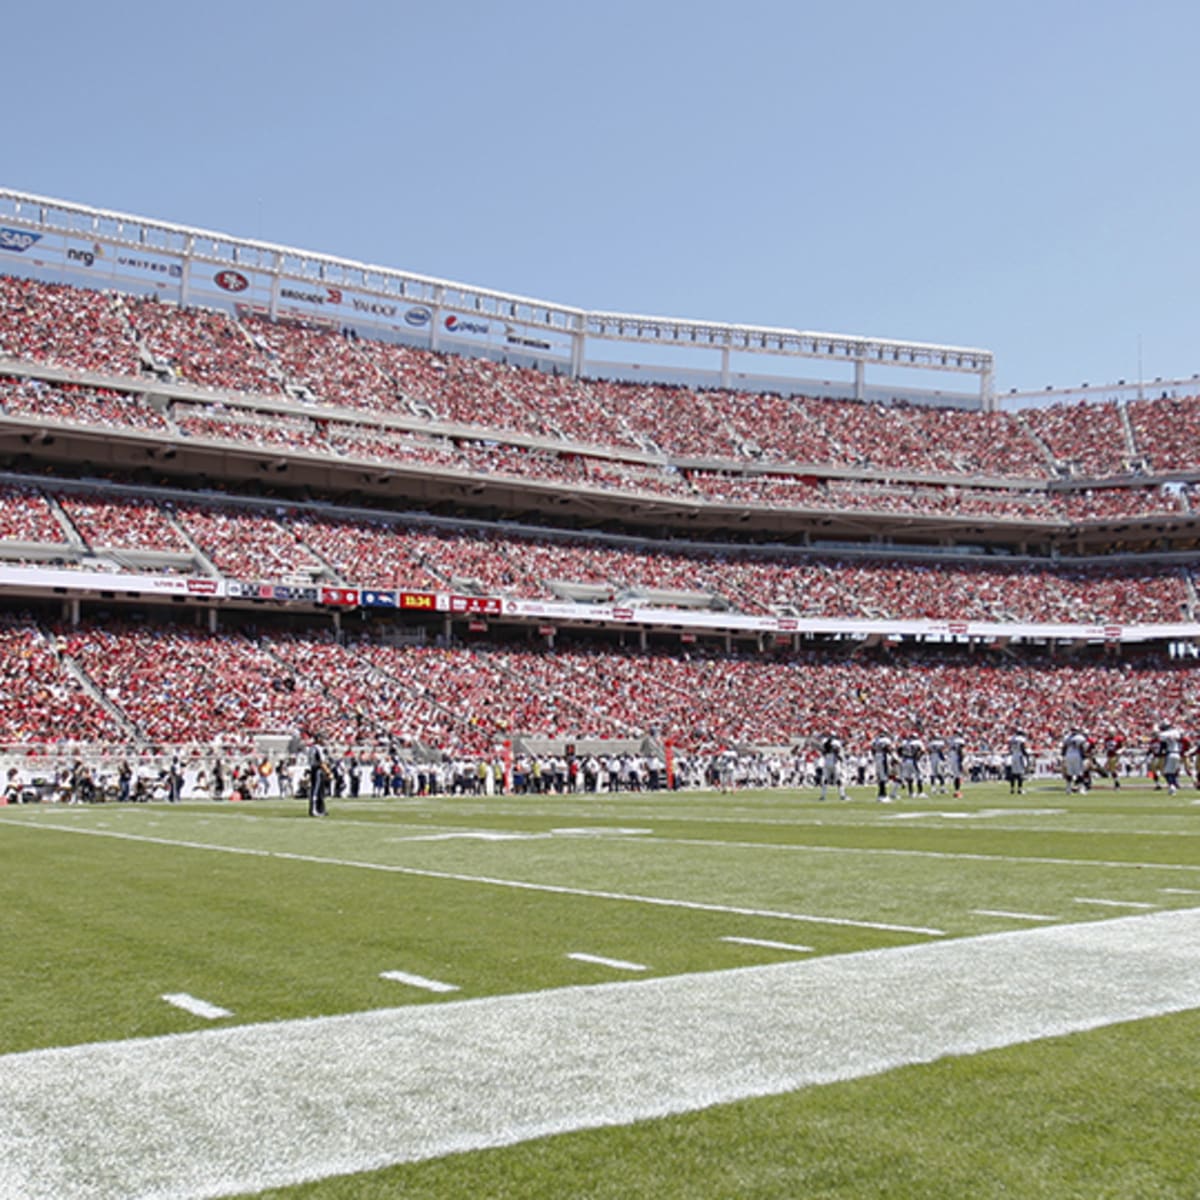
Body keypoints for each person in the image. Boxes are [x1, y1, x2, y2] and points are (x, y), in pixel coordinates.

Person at [819, 732, 849, 802]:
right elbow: (837, 752)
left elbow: (823, 752)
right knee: (839, 780)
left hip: (827, 761)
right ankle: (842, 795)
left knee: (825, 780)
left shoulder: (825, 742)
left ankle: (823, 796)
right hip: (834, 762)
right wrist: (841, 759)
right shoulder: (836, 742)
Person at [307, 734, 331, 817]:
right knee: (316, 790)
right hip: (318, 770)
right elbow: (321, 762)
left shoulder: (313, 748)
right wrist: (328, 772)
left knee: (319, 790)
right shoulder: (317, 748)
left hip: (315, 769)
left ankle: (320, 809)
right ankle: (314, 809)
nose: (324, 740)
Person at [1061, 727, 1089, 794]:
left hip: (1068, 755)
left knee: (1069, 773)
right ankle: (1081, 789)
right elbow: (1083, 747)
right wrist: (1084, 756)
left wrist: (1063, 756)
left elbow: (1064, 748)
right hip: (1077, 755)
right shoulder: (1080, 737)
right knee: (1079, 773)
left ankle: (1068, 789)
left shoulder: (1066, 737)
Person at [1008, 729, 1030, 795]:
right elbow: (1022, 748)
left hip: (1013, 756)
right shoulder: (1021, 739)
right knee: (1020, 773)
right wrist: (1026, 755)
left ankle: (1012, 789)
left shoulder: (1012, 738)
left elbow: (1010, 748)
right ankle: (1020, 789)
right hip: (1019, 756)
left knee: (1013, 773)